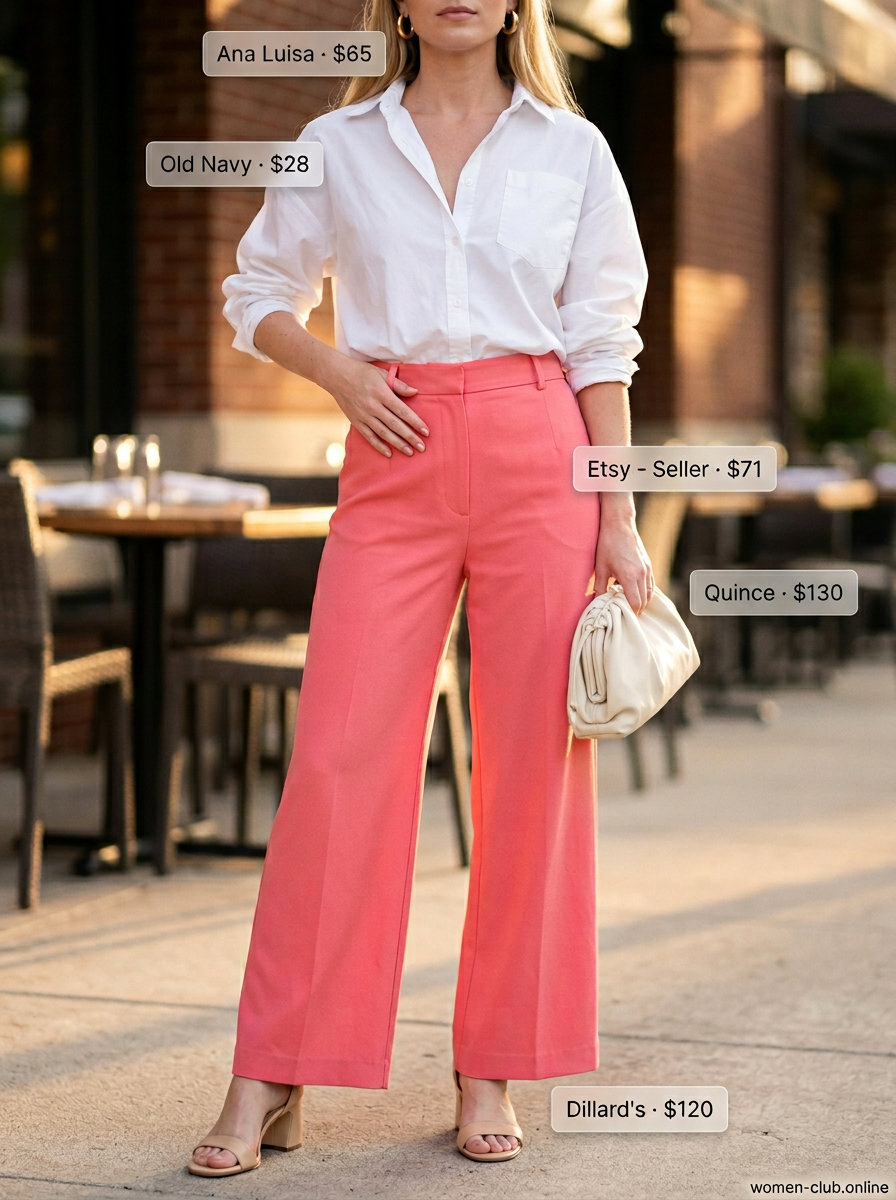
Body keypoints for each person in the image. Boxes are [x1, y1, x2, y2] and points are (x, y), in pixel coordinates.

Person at [189, 0, 652, 1176]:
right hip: (387, 448)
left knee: (528, 772)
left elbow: (600, 339)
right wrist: (339, 369)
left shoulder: (571, 149)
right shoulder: (337, 142)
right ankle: (271, 1067)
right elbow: (257, 296)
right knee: (340, 761)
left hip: (535, 449)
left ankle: (490, 1064)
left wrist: (620, 515)